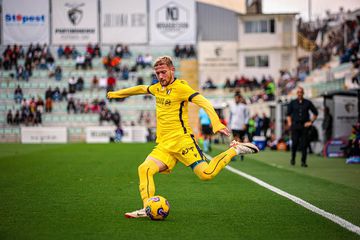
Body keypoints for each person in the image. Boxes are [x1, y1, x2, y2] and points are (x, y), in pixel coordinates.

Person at [107, 56, 259, 218]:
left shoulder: (181, 88)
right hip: (165, 145)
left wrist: (216, 123)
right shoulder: (157, 88)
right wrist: (116, 94)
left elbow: (204, 102)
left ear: (172, 70)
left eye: (163, 72)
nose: (160, 76)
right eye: (157, 73)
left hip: (183, 141)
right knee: (144, 169)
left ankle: (235, 150)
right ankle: (147, 208)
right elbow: (140, 89)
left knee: (206, 174)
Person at [287, 87, 318, 167]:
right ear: (297, 93)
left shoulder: (308, 103)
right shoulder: (293, 103)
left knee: (304, 144)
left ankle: (303, 161)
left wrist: (310, 122)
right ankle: (293, 158)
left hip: (304, 126)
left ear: (303, 93)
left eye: (301, 92)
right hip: (295, 125)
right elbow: (288, 114)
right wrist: (290, 123)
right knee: (294, 143)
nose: (299, 94)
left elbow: (315, 113)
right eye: (298, 92)